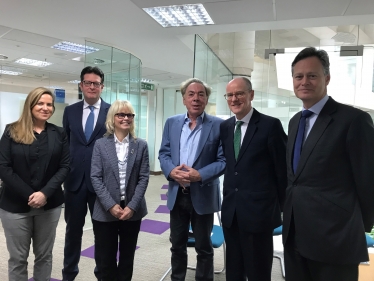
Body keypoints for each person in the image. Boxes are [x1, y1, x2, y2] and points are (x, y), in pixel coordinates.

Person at [283, 47, 374, 281]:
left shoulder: (354, 120)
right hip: (295, 233)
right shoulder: (295, 121)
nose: (304, 81)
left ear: (327, 78)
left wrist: (356, 227)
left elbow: (368, 180)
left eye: (312, 75)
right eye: (298, 76)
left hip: (335, 238)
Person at [220, 77, 287, 281]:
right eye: (230, 95)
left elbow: (282, 171)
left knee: (258, 271)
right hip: (231, 212)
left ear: (251, 95)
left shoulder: (270, 125)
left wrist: (285, 208)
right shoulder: (225, 127)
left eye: (239, 93)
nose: (234, 98)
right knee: (233, 270)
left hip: (259, 214)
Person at [159, 78, 225, 281]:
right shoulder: (172, 123)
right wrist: (170, 171)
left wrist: (200, 175)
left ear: (206, 99)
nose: (196, 98)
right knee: (177, 244)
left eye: (201, 94)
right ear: (184, 99)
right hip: (177, 195)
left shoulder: (219, 125)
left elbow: (223, 160)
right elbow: (164, 154)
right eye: (191, 94)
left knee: (203, 246)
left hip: (203, 194)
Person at [0, 87, 69, 280]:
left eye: (49, 104)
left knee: (44, 257)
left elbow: (65, 166)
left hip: (49, 205)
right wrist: (30, 195)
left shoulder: (59, 133)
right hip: (15, 206)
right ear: (30, 105)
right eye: (40, 103)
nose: (45, 108)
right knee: (18, 259)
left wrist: (44, 193)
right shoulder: (11, 130)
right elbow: (3, 167)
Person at [91, 100, 149, 281]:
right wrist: (110, 205)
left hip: (132, 211)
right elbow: (95, 177)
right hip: (106, 211)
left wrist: (132, 206)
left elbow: (143, 178)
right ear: (112, 118)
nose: (125, 118)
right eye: (121, 115)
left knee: (126, 259)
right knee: (105, 260)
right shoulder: (101, 144)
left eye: (129, 115)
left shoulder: (141, 145)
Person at [62, 66, 110, 281]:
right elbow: (65, 144)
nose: (92, 86)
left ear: (102, 86)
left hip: (101, 184)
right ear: (81, 85)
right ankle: (69, 274)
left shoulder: (112, 111)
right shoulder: (70, 111)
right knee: (73, 232)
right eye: (88, 82)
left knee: (102, 234)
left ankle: (102, 275)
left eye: (96, 83)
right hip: (74, 182)